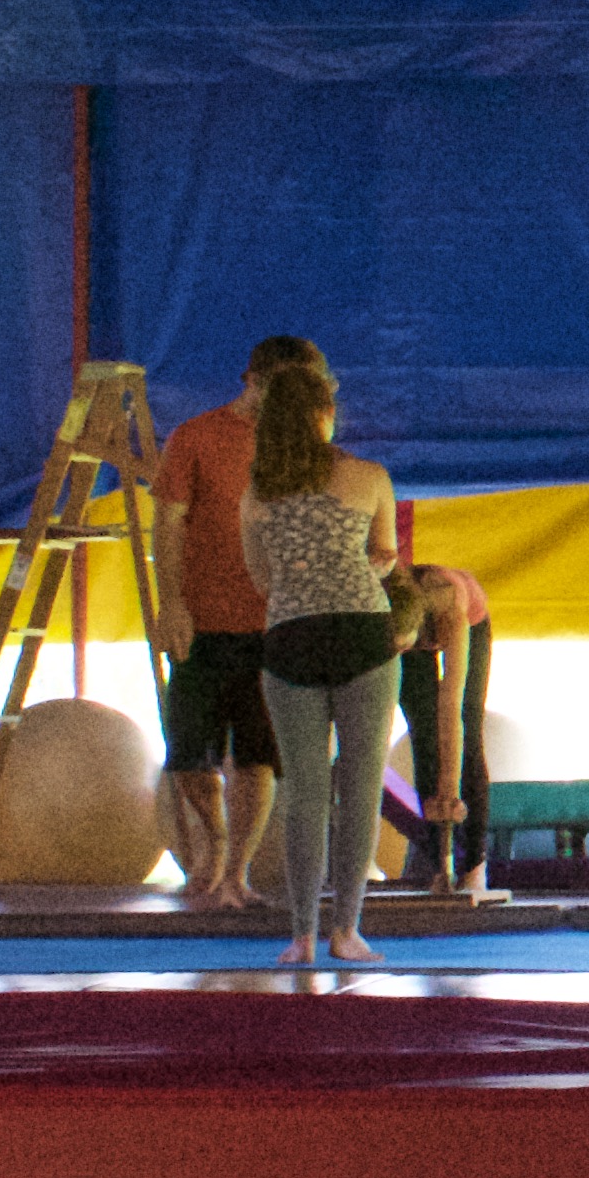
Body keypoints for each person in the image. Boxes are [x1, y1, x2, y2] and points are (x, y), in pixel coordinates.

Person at [235, 356, 405, 971]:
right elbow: (384, 553)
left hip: (291, 637)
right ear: (325, 414)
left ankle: (301, 935)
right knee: (359, 788)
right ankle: (347, 931)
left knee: (303, 793)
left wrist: (303, 580)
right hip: (363, 632)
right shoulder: (368, 476)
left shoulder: (256, 494)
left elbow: (261, 579)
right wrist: (355, 567)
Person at [150, 337, 309, 906]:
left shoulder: (300, 443)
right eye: (283, 388)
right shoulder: (195, 437)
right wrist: (172, 604)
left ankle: (237, 869)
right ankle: (213, 844)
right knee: (190, 753)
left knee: (258, 755)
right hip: (203, 619)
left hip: (274, 622)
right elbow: (167, 524)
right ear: (253, 380)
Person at [392, 557, 494, 897]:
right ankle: (438, 864)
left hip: (469, 619)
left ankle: (474, 864)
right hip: (408, 619)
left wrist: (450, 790)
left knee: (468, 729)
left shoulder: (452, 612)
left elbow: (452, 709)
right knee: (423, 736)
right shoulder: (386, 612)